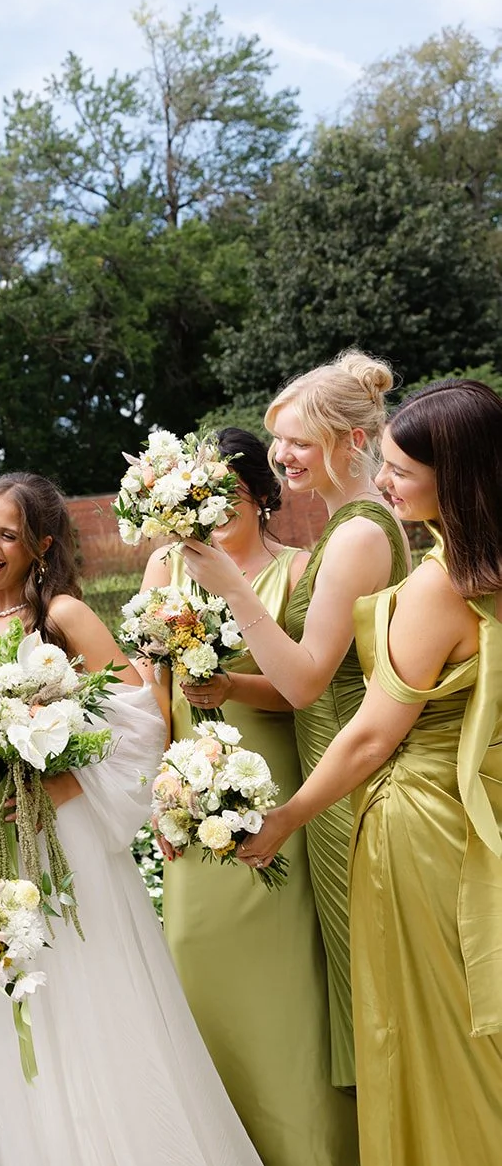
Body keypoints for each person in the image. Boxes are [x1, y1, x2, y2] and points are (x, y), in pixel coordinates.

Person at [0, 472, 368, 1166]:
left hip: (61, 849)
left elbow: (138, 725)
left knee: (85, 1017)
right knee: (1, 1032)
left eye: (7, 535)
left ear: (42, 546)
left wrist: (53, 785)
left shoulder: (68, 621)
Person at [239, 379, 502, 1166]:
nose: (383, 482)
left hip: (423, 832)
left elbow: (361, 739)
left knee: (434, 1060)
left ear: (455, 479)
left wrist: (284, 818)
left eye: (398, 469)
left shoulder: (444, 583)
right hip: (487, 818)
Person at [180, 351, 409, 1118]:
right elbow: (306, 679)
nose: (280, 457)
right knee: (356, 971)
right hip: (332, 763)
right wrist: (227, 685)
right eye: (278, 441)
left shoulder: (354, 537)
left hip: (352, 779)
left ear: (351, 439)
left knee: (372, 978)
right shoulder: (353, 523)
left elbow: (310, 680)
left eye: (297, 442)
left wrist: (234, 590)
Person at [141, 429, 360, 1166]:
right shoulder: (163, 566)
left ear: (262, 498)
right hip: (182, 787)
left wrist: (230, 687)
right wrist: (149, 790)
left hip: (273, 775)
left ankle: (306, 1149)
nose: (209, 512)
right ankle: (229, 1162)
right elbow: (146, 688)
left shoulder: (297, 570)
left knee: (284, 971)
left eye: (225, 497)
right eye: (195, 499)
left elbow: (310, 685)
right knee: (195, 953)